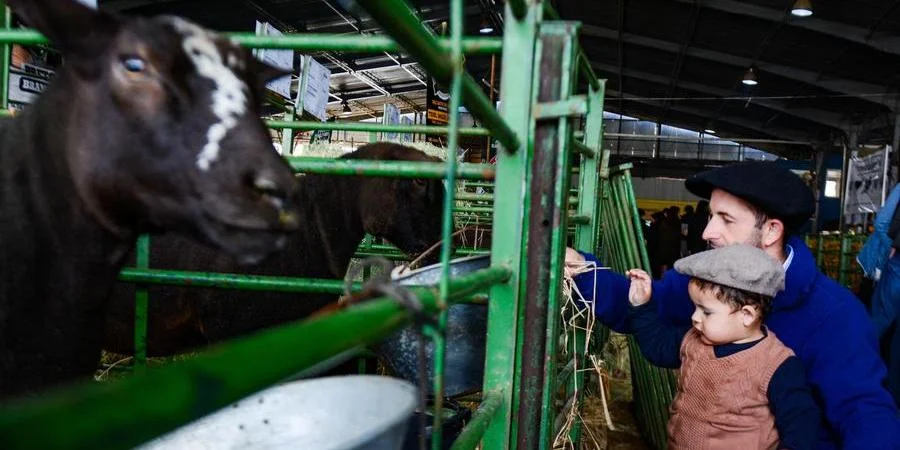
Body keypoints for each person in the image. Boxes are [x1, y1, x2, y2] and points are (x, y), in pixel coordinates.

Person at [568, 161, 900, 449]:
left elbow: (865, 414)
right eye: (711, 216)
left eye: (726, 219)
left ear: (771, 231)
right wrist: (581, 268)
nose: (708, 231)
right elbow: (643, 299)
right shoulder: (705, 284)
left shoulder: (835, 316)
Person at [627, 245, 819, 450]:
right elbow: (658, 348)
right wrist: (641, 306)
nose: (694, 318)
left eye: (706, 312)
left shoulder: (777, 365)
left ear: (747, 315)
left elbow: (802, 423)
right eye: (695, 307)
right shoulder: (693, 339)